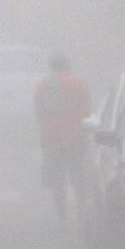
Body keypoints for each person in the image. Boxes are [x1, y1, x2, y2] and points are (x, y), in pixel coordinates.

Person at [34, 52, 92, 223]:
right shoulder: (78, 83)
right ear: (68, 65)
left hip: (52, 137)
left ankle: (62, 216)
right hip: (77, 137)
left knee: (57, 178)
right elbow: (87, 111)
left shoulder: (44, 85)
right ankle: (81, 212)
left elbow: (39, 111)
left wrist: (47, 131)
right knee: (78, 175)